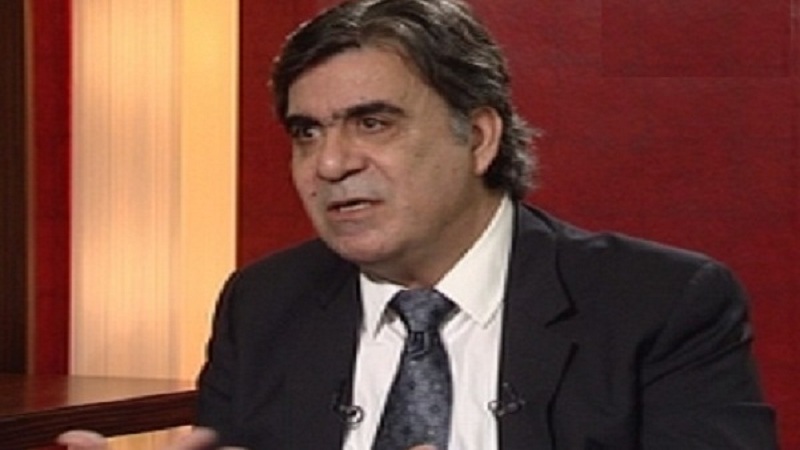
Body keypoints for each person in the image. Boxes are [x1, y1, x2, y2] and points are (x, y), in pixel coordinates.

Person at [58, 0, 779, 449]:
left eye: (373, 122)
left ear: (479, 137)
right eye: (307, 132)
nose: (330, 163)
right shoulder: (264, 303)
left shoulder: (659, 303)